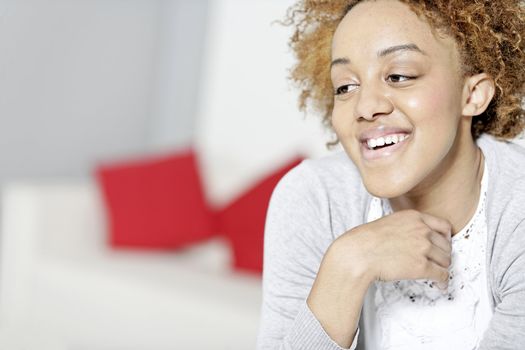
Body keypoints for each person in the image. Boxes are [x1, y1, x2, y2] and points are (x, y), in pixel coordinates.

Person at [256, 0, 525, 349]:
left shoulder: (517, 208)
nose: (366, 107)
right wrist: (348, 264)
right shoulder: (315, 197)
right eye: (346, 86)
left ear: (472, 95)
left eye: (399, 76)